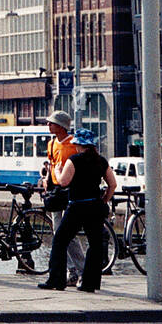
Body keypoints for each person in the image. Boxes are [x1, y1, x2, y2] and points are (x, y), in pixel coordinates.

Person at [38, 128, 117, 292]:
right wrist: (103, 200)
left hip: (77, 206)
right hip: (94, 206)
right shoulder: (101, 161)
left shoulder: (74, 160)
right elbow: (112, 184)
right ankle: (90, 283)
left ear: (79, 145)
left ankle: (56, 280)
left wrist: (58, 172)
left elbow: (64, 182)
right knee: (94, 245)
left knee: (60, 240)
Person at [41, 110, 84, 286]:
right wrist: (46, 178)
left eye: (51, 123)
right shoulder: (52, 144)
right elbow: (52, 163)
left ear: (61, 127)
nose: (48, 126)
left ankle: (80, 270)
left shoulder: (73, 145)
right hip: (55, 191)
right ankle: (74, 270)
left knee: (66, 233)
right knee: (58, 232)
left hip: (70, 191)